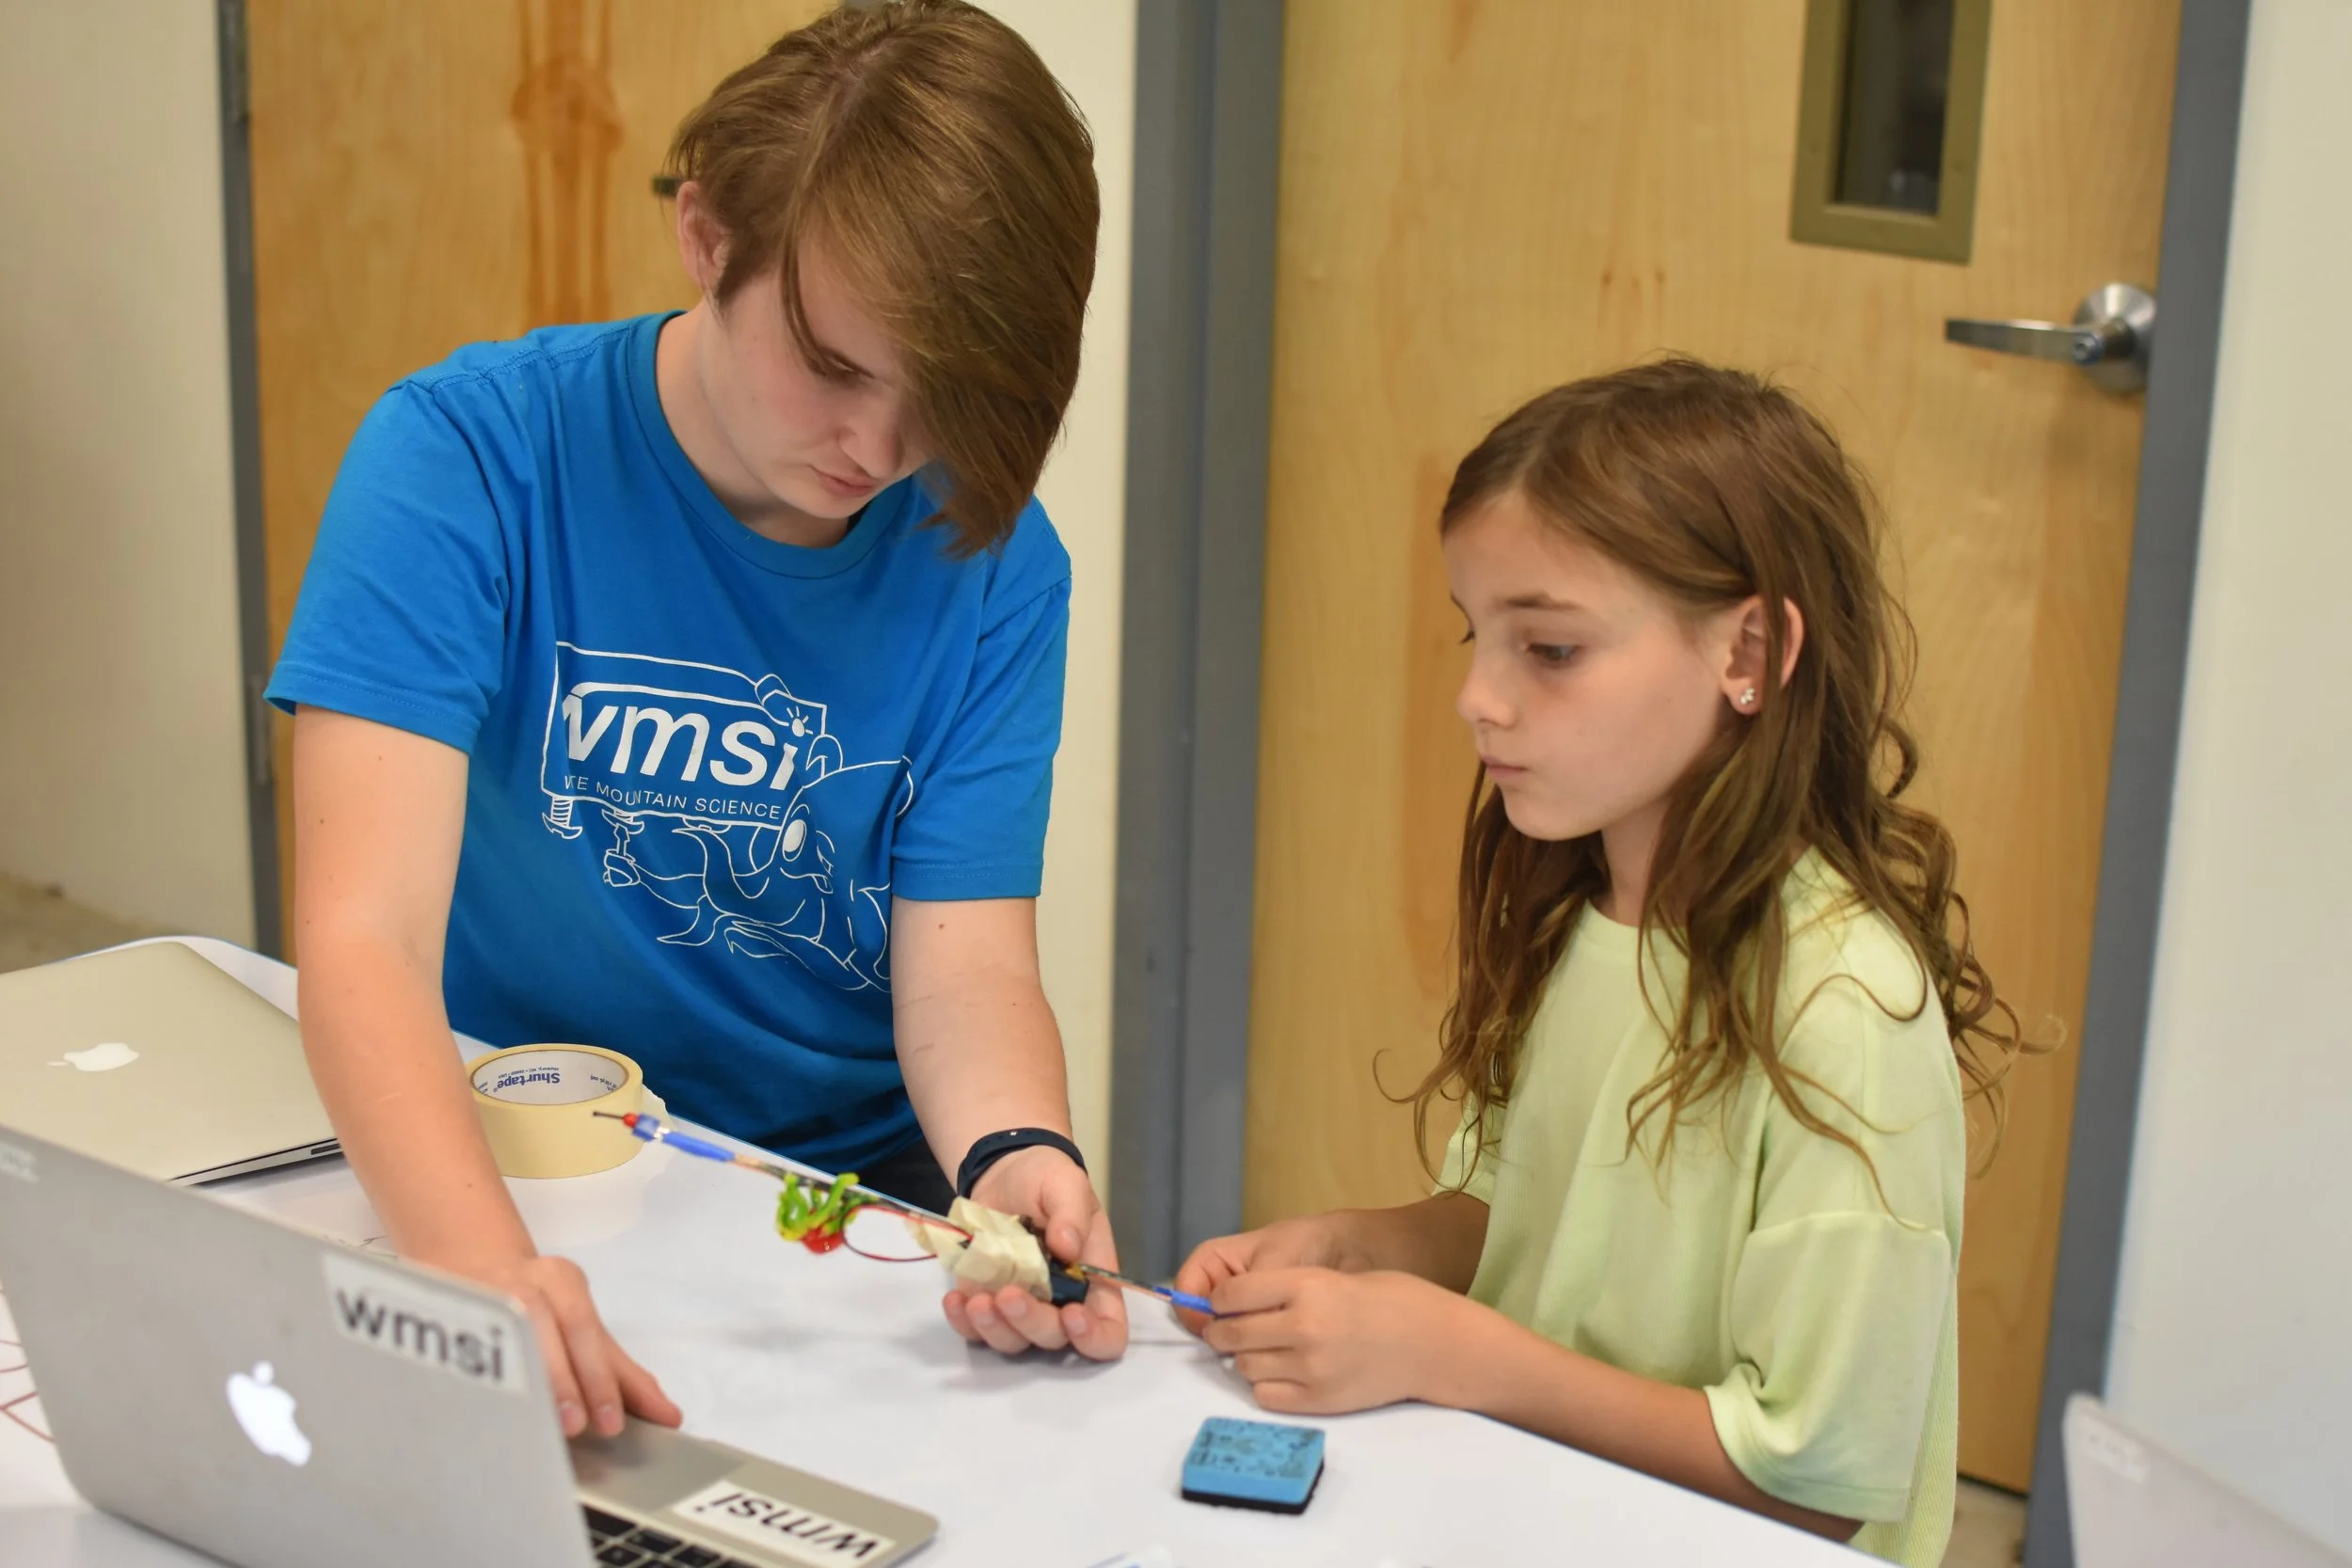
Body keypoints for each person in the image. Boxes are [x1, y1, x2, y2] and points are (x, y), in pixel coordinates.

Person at [266, 0, 1127, 1446]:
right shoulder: (466, 456)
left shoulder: (993, 559)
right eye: (839, 367)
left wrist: (1013, 1146)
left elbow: (967, 967)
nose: (881, 448)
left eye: (947, 402)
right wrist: (477, 1266)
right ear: (709, 235)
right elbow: (365, 938)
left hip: (835, 1207)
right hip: (502, 1157)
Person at [1175, 360, 2030, 1565]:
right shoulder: (1574, 910)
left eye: (1552, 650)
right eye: (1479, 636)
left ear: (1749, 651)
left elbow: (1816, 1484)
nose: (1478, 698)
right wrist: (1360, 1247)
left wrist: (1453, 1352)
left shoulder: (1846, 1009)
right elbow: (1513, 1219)